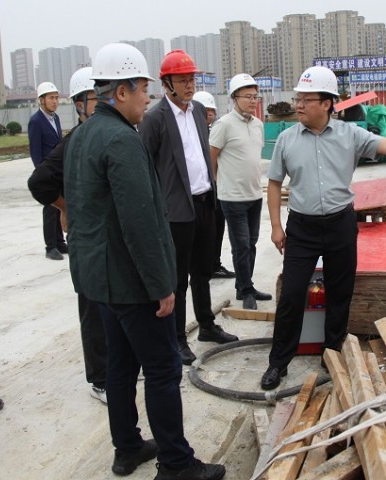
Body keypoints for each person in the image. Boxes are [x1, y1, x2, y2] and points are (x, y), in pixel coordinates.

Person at [63, 43, 226, 480]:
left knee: (120, 366)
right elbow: (141, 222)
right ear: (121, 91)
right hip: (131, 282)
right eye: (142, 89)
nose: (147, 97)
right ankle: (176, 464)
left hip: (99, 281)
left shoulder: (82, 135)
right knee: (162, 368)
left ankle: (128, 447)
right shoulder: (122, 140)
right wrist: (161, 286)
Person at [261, 66, 386, 390]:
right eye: (297, 99)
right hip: (302, 228)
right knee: (292, 294)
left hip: (340, 224)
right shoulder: (286, 139)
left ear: (326, 103)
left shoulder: (349, 135)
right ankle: (278, 362)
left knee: (340, 292)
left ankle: (332, 352)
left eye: (306, 99)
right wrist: (276, 227)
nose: (299, 105)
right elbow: (274, 183)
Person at [140, 50, 238, 366]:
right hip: (176, 211)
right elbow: (146, 167)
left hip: (205, 202)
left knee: (202, 271)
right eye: (182, 80)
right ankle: (177, 338)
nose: (189, 85)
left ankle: (206, 325)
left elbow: (201, 155)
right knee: (178, 279)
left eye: (192, 79)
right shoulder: (154, 119)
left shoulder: (196, 111)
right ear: (167, 83)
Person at [27, 67, 107, 404]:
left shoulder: (112, 134)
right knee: (93, 306)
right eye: (95, 97)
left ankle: (119, 366)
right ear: (79, 104)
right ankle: (101, 379)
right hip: (88, 238)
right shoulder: (75, 140)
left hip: (109, 237)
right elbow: (39, 181)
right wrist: (66, 207)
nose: (103, 102)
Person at [209, 74, 272, 310]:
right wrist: (219, 183)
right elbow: (211, 157)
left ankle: (243, 286)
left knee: (252, 243)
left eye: (255, 96)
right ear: (234, 98)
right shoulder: (223, 125)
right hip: (232, 197)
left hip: (254, 194)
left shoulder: (258, 125)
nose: (253, 101)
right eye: (248, 96)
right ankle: (246, 291)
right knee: (241, 245)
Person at [192, 91, 235, 280]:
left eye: (212, 110)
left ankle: (214, 265)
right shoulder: (191, 134)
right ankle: (200, 268)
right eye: (206, 110)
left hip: (216, 189)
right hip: (199, 192)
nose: (210, 114)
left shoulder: (213, 131)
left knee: (217, 229)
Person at [28, 81, 66, 260]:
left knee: (59, 208)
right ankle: (50, 247)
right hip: (47, 173)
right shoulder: (36, 121)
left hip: (57, 171)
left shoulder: (55, 118)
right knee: (50, 210)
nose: (55, 101)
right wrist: (42, 175)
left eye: (56, 98)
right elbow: (35, 151)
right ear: (41, 100)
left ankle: (60, 242)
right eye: (51, 98)